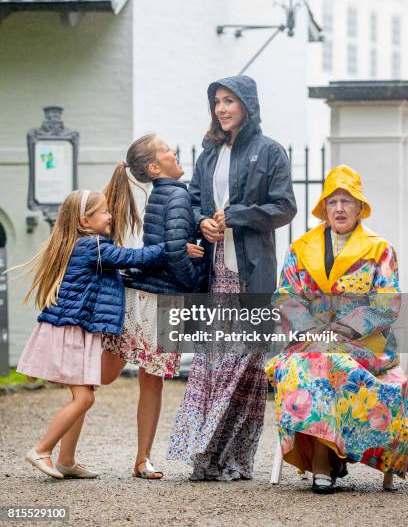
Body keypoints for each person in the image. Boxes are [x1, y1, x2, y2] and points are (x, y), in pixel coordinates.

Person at [167, 75, 297, 480]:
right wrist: (202, 221)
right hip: (215, 269)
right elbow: (191, 202)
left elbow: (285, 207)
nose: (222, 109)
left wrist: (237, 215)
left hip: (251, 271)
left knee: (246, 366)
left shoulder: (270, 151)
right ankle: (205, 457)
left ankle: (235, 460)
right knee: (212, 364)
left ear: (248, 104)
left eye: (229, 101)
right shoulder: (208, 154)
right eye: (217, 102)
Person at [265, 165, 407, 493]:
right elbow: (285, 296)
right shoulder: (301, 248)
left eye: (347, 200)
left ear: (360, 207)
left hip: (365, 346)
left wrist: (342, 329)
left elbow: (386, 304)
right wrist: (313, 330)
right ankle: (321, 461)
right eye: (333, 202)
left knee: (327, 362)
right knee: (312, 361)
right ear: (324, 208)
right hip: (311, 341)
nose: (339, 208)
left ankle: (326, 460)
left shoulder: (379, 250)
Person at [16, 189, 164, 479]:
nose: (110, 217)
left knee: (85, 394)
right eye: (104, 212)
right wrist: (172, 247)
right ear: (85, 220)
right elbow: (134, 255)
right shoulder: (93, 246)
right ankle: (42, 449)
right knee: (84, 398)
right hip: (70, 332)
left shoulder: (85, 246)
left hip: (73, 330)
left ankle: (67, 460)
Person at [101, 133, 205, 479]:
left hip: (145, 297)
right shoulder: (176, 194)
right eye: (166, 150)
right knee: (146, 382)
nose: (174, 150)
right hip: (158, 300)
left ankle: (137, 457)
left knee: (104, 375)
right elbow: (176, 250)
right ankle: (142, 459)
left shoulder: (166, 193)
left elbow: (170, 245)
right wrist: (193, 282)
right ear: (154, 166)